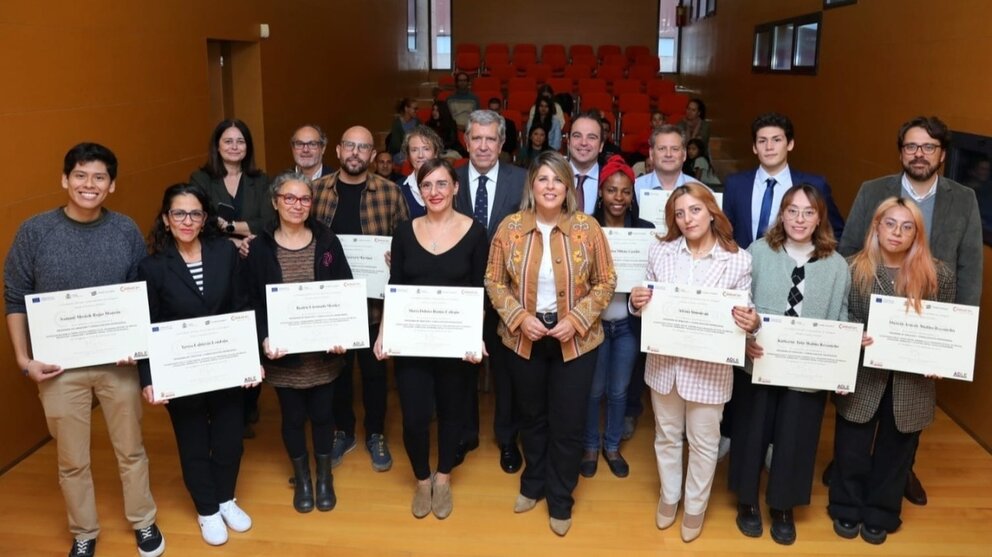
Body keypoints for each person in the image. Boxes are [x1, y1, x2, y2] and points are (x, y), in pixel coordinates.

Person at [4, 143, 165, 557]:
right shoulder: (35, 231)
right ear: (65, 179)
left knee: (130, 449)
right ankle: (83, 531)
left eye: (98, 177)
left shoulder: (125, 229)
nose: (88, 184)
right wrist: (24, 360)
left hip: (117, 364)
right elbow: (15, 297)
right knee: (71, 458)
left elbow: (137, 294)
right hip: (59, 367)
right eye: (80, 175)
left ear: (112, 186)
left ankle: (144, 521)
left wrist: (137, 345)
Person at [836, 115, 982, 505]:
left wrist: (954, 345)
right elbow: (849, 248)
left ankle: (899, 474)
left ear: (943, 154)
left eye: (929, 147)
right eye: (911, 146)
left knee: (907, 409)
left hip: (926, 324)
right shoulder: (873, 190)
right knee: (860, 410)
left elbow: (969, 270)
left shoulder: (963, 198)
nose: (919, 154)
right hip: (870, 320)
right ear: (901, 151)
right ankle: (850, 472)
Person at [485, 150, 617, 536]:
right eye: (542, 179)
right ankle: (533, 483)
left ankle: (561, 498)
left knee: (568, 422)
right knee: (532, 418)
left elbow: (606, 280)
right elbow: (494, 280)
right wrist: (519, 318)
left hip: (575, 344)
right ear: (532, 184)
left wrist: (576, 319)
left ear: (567, 187)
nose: (549, 186)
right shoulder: (509, 228)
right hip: (523, 339)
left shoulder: (587, 229)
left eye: (557, 180)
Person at [628, 183, 758, 543]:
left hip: (709, 370)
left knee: (704, 442)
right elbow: (647, 302)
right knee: (667, 436)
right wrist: (636, 302)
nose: (688, 219)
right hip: (665, 365)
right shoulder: (661, 251)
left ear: (712, 211)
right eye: (680, 213)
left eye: (695, 210)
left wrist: (752, 322)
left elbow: (747, 311)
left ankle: (696, 505)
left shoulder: (739, 259)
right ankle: (670, 496)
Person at [727, 184, 850, 545]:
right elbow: (740, 304)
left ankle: (783, 505)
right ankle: (747, 500)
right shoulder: (759, 252)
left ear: (819, 218)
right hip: (760, 364)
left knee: (796, 438)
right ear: (782, 214)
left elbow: (841, 316)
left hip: (807, 372)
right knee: (752, 432)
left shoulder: (837, 264)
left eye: (808, 212)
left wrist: (840, 363)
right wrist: (746, 340)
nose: (799, 219)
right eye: (792, 211)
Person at [828, 197, 955, 545]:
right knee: (851, 447)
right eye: (890, 223)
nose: (897, 232)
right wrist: (856, 335)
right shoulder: (854, 268)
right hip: (862, 374)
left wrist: (940, 360)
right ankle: (845, 504)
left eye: (907, 226)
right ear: (876, 226)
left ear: (917, 233)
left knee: (895, 451)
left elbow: (946, 328)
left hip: (911, 382)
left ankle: (881, 513)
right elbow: (843, 315)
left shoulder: (937, 275)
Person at [138, 183, 254, 546]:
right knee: (192, 441)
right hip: (181, 371)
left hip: (226, 364)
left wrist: (250, 360)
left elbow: (241, 306)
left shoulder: (224, 253)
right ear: (166, 219)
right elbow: (145, 326)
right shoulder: (152, 266)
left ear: (205, 219)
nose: (187, 221)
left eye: (195, 213)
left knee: (230, 438)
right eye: (179, 213)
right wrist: (148, 378)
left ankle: (225, 498)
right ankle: (206, 508)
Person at [373, 158, 489, 519]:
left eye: (442, 184)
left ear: (455, 187)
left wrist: (477, 338)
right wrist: (382, 333)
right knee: (414, 416)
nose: (434, 192)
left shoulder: (475, 232)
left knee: (453, 413)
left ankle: (443, 477)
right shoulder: (405, 232)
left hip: (455, 344)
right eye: (427, 185)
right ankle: (422, 479)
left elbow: (478, 290)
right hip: (412, 342)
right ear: (418, 190)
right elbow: (396, 287)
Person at [244, 172, 353, 513]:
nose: (297, 205)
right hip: (283, 357)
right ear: (275, 202)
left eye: (304, 199)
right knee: (292, 419)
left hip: (323, 356)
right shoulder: (259, 248)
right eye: (289, 198)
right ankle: (302, 477)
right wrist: (262, 338)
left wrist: (343, 335)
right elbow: (251, 301)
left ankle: (324, 477)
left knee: (323, 416)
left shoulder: (327, 241)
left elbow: (344, 291)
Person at [312, 126, 409, 472]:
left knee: (374, 374)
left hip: (373, 305)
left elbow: (405, 239)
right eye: (349, 146)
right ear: (337, 151)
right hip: (332, 303)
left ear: (372, 155)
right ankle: (343, 430)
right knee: (336, 371)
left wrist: (395, 257)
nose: (356, 153)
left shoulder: (389, 192)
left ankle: (376, 433)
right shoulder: (317, 191)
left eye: (363, 147)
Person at [454, 109, 527, 473]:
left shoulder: (522, 181)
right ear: (466, 141)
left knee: (507, 370)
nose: (483, 146)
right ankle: (465, 433)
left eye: (490, 139)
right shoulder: (447, 180)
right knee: (461, 367)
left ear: (501, 143)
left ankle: (508, 438)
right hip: (460, 291)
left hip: (510, 294)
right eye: (476, 138)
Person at [190, 119, 273, 437]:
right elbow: (198, 219)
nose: (235, 146)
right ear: (217, 145)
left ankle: (250, 401)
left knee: (251, 331)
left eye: (241, 141)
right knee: (222, 331)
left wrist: (228, 227)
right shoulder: (201, 178)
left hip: (253, 264)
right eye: (228, 141)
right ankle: (225, 407)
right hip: (217, 265)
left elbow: (266, 221)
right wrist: (232, 238)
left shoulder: (260, 179)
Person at [581, 155, 654, 479]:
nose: (618, 198)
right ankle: (590, 447)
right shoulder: (585, 228)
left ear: (632, 195)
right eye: (612, 190)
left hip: (626, 324)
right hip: (594, 324)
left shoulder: (645, 232)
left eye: (625, 192)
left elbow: (654, 278)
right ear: (601, 192)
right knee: (593, 390)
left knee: (619, 391)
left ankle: (611, 446)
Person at [723, 112, 845, 249]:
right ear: (754, 147)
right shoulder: (735, 184)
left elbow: (837, 232)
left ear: (790, 144)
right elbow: (725, 232)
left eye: (776, 140)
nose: (769, 147)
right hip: (745, 267)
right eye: (762, 141)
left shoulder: (815, 185)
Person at [633, 125, 695, 200]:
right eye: (662, 149)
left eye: (675, 149)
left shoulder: (703, 192)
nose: (668, 154)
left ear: (684, 154)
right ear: (651, 154)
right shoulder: (634, 188)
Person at [397, 126, 444, 219]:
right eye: (414, 150)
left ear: (435, 153)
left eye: (426, 149)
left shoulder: (448, 186)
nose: (420, 155)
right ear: (408, 155)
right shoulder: (398, 189)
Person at [567, 111, 607, 214]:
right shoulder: (553, 176)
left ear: (601, 145)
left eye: (591, 137)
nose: (583, 143)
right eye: (577, 136)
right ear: (568, 142)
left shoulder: (610, 179)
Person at [388, 97, 420, 164]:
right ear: (406, 109)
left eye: (417, 109)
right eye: (415, 109)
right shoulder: (397, 124)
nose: (417, 111)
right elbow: (395, 146)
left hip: (415, 151)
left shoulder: (417, 122)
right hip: (400, 154)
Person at [488, 97, 518, 163]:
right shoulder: (484, 124)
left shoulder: (509, 124)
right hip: (487, 150)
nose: (494, 113)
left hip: (503, 152)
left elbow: (512, 144)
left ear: (500, 110)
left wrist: (497, 149)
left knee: (504, 157)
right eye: (492, 110)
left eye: (496, 110)